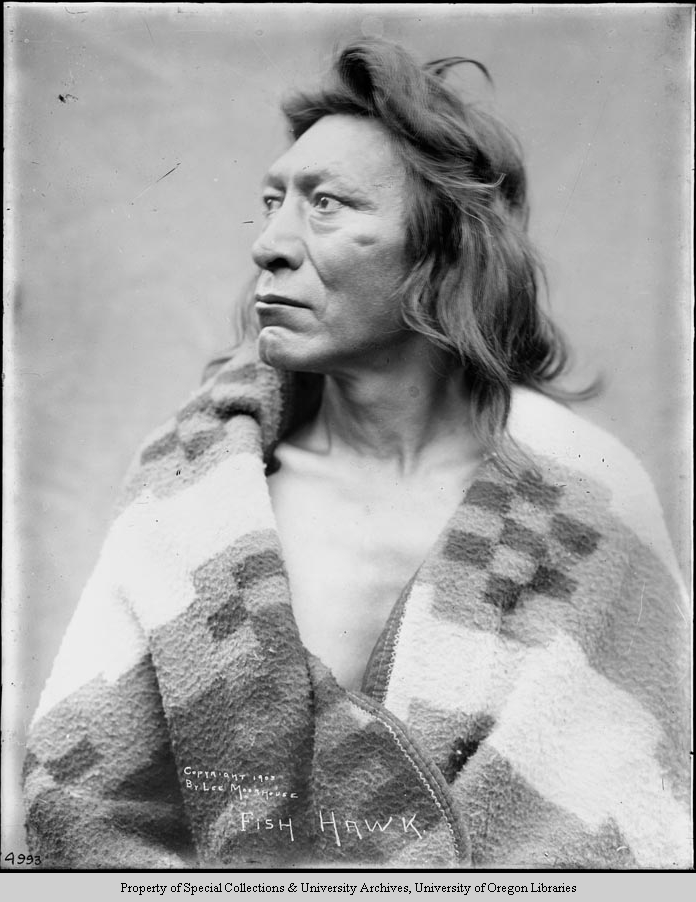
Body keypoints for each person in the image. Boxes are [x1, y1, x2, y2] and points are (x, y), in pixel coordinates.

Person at [23, 38, 690, 870]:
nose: (269, 242)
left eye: (327, 204)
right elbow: (82, 805)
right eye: (272, 202)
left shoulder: (588, 508)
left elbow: (627, 821)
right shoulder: (193, 495)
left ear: (445, 249)